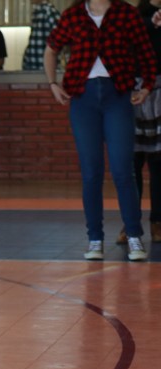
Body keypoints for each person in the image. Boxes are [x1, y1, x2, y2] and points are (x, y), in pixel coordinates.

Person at [45, 0, 157, 261]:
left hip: (117, 96)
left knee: (123, 170)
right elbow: (51, 50)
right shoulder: (73, 15)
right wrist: (52, 83)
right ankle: (94, 238)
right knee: (91, 172)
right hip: (83, 99)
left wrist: (146, 86)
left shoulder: (126, 13)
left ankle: (134, 235)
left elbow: (146, 52)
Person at [123, 0, 161, 245]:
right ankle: (131, 224)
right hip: (134, 88)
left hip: (159, 90)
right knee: (132, 162)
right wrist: (151, 22)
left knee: (158, 164)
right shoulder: (134, 15)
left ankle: (158, 221)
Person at [23, 1, 62, 71]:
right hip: (33, 67)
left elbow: (60, 41)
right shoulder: (37, 12)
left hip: (44, 69)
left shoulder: (49, 12)